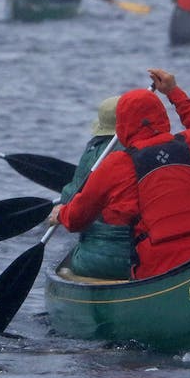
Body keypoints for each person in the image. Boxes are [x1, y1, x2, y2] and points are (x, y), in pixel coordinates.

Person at [50, 68, 190, 280]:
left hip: (160, 266)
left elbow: (77, 219)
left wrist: (61, 214)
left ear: (122, 126)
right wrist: (174, 93)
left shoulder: (116, 164)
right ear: (162, 116)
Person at [56, 96, 133, 279]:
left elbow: (72, 200)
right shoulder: (145, 150)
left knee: (64, 269)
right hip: (141, 257)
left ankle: (72, 276)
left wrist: (59, 212)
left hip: (94, 259)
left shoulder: (94, 153)